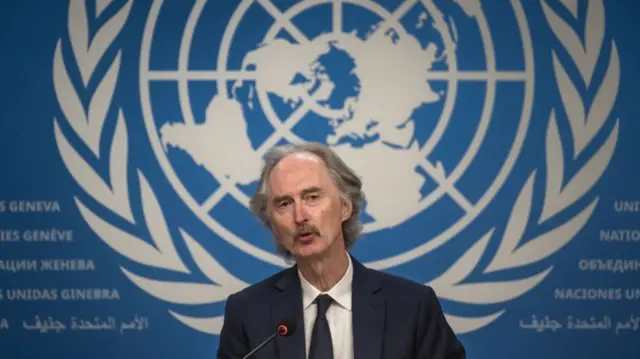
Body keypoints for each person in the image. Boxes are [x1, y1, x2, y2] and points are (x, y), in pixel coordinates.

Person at [217, 142, 466, 359]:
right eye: (284, 204)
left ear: (345, 208)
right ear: (271, 223)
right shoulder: (247, 313)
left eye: (312, 197)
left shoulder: (412, 307)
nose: (300, 216)